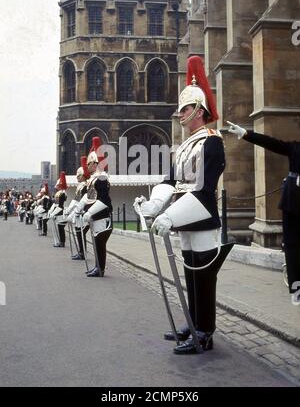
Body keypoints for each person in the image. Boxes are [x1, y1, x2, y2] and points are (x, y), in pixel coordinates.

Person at [134, 56, 233, 354]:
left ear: (199, 111)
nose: (180, 113)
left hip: (201, 216)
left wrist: (171, 217)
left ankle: (205, 331)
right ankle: (192, 322)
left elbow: (203, 191)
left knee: (203, 277)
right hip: (185, 216)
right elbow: (170, 181)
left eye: (186, 108)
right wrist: (154, 206)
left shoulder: (212, 142)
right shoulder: (185, 146)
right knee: (190, 274)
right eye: (180, 109)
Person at [227, 121, 300, 306]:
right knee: (291, 245)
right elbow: (272, 143)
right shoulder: (295, 148)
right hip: (293, 202)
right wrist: (246, 134)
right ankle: (296, 286)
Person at [74, 137, 113, 277]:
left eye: (90, 164)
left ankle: (100, 269)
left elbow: (104, 201)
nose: (87, 167)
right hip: (96, 216)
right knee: (96, 243)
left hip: (102, 216)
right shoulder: (94, 179)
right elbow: (89, 197)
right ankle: (97, 267)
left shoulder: (101, 178)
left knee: (100, 244)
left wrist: (89, 212)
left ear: (95, 163)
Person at [66, 156, 90, 260]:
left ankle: (83, 252)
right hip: (79, 212)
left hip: (84, 211)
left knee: (81, 232)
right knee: (78, 232)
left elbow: (85, 200)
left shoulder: (86, 186)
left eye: (79, 175)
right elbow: (76, 199)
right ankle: (81, 251)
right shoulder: (80, 186)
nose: (77, 177)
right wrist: (70, 209)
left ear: (84, 175)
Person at [49, 172, 68, 247]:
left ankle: (62, 242)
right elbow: (56, 204)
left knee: (61, 229)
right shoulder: (60, 193)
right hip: (59, 212)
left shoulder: (62, 193)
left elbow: (60, 206)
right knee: (59, 228)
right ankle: (60, 241)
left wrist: (53, 213)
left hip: (61, 213)